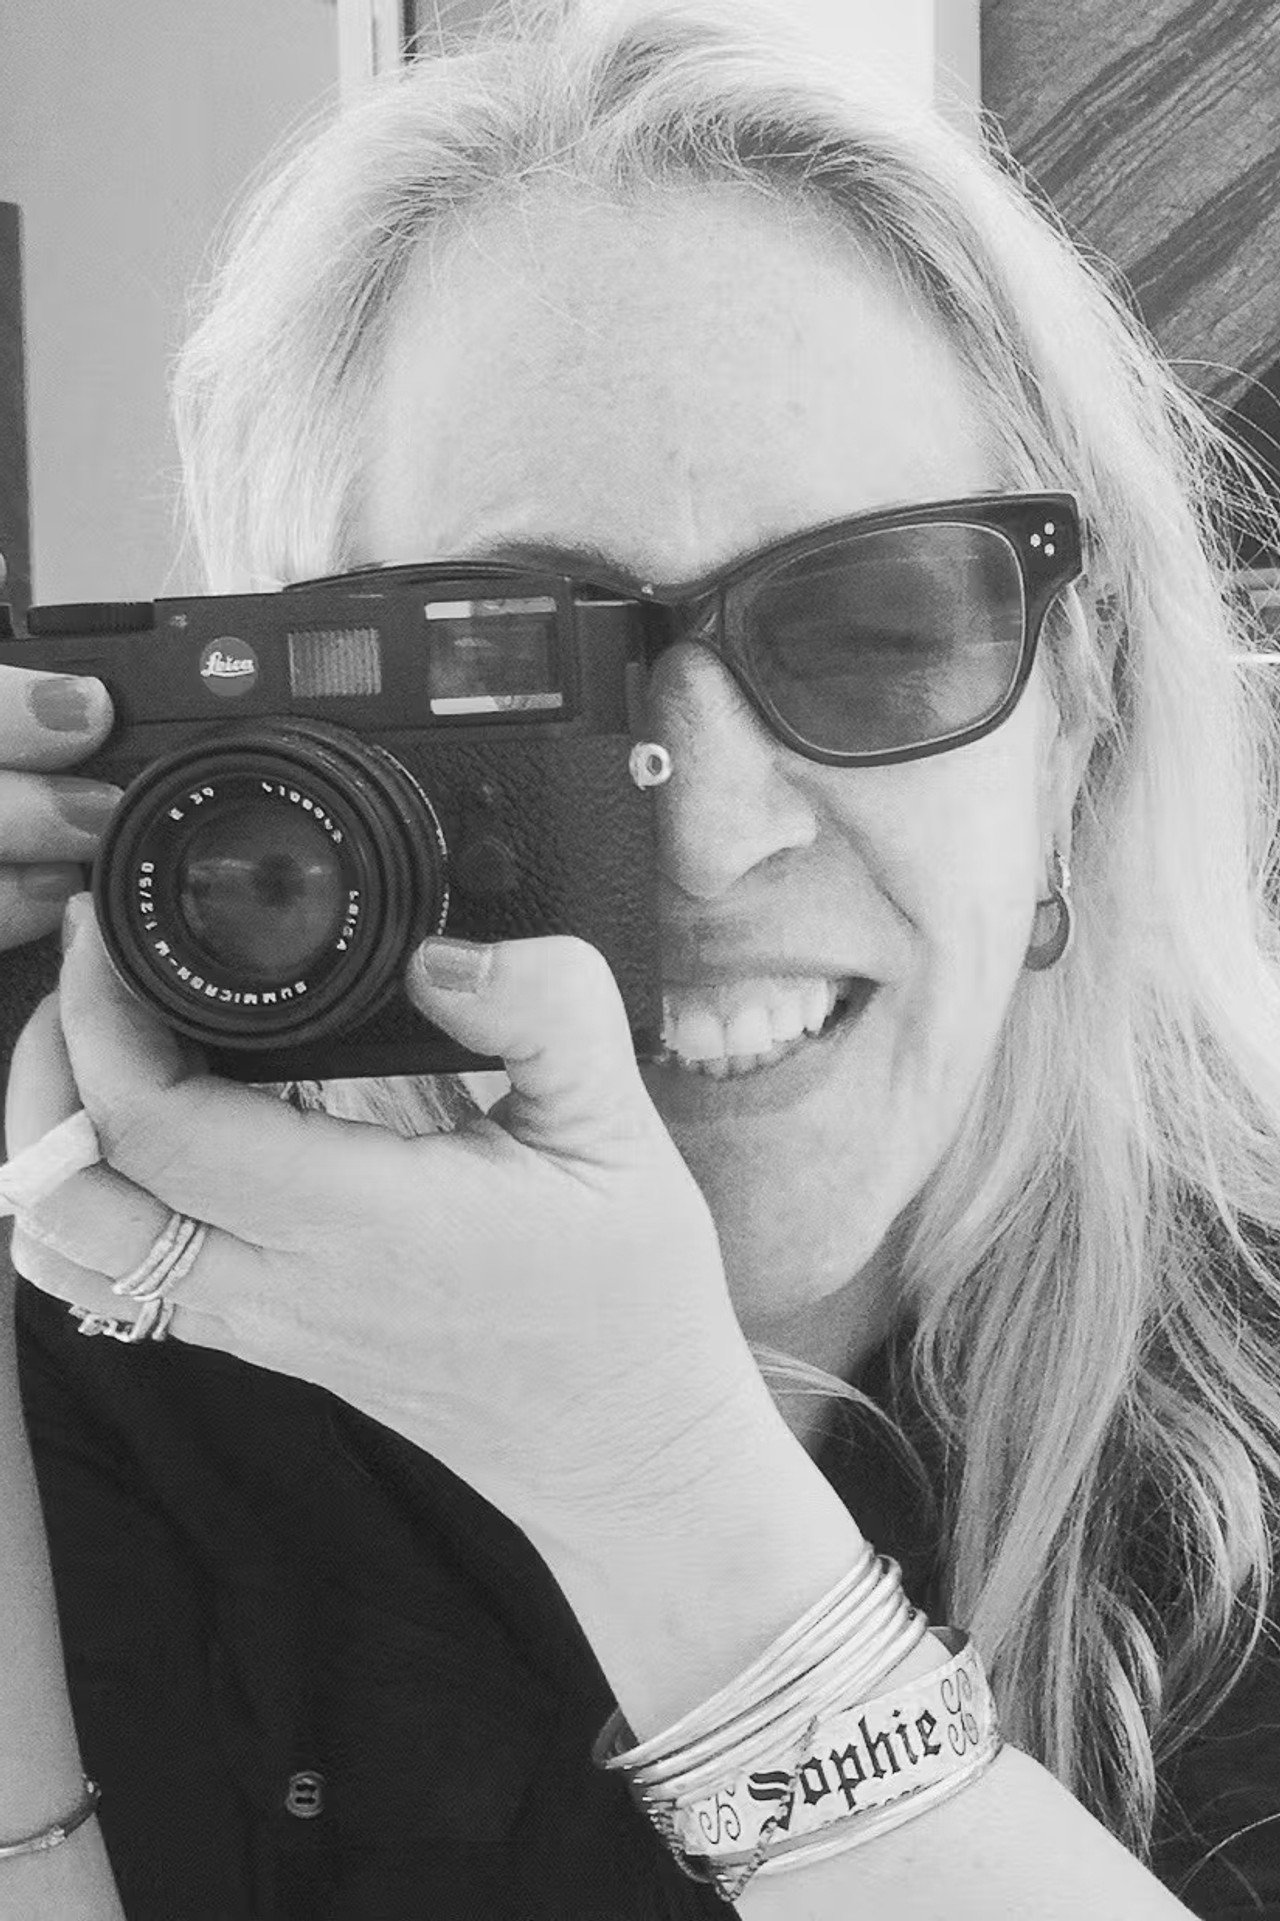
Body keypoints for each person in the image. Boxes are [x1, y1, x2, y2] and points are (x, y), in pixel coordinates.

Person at [2, 1, 1280, 1913]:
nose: (711, 825)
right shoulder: (108, 1293)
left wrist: (646, 1479)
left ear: (1075, 728)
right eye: (515, 662)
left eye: (877, 628)